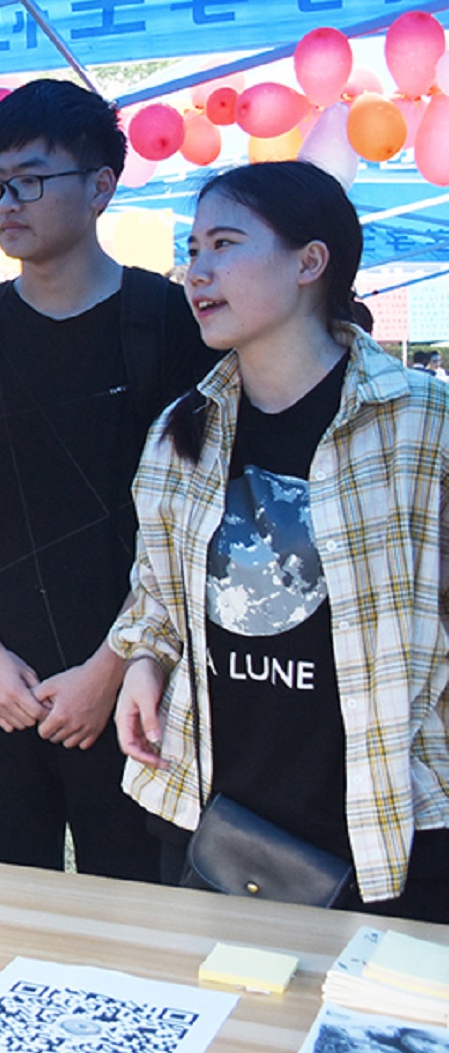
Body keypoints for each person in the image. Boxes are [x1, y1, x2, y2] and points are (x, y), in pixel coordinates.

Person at [110, 161, 449, 919]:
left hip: (389, 822)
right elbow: (155, 593)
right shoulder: (180, 431)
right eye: (193, 249)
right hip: (215, 820)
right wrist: (144, 660)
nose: (197, 271)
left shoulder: (421, 422)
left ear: (310, 261)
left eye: (224, 244)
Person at [0, 78, 213, 880]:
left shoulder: (169, 324)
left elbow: (195, 521)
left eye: (32, 181)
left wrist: (111, 668)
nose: (7, 203)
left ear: (101, 187)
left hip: (139, 691)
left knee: (141, 918)